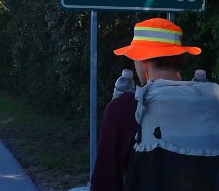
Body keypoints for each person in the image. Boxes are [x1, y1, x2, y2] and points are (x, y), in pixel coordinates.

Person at [91, 17, 219, 191]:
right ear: (180, 59)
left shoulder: (125, 108)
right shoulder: (212, 101)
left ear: (143, 62)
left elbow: (104, 183)